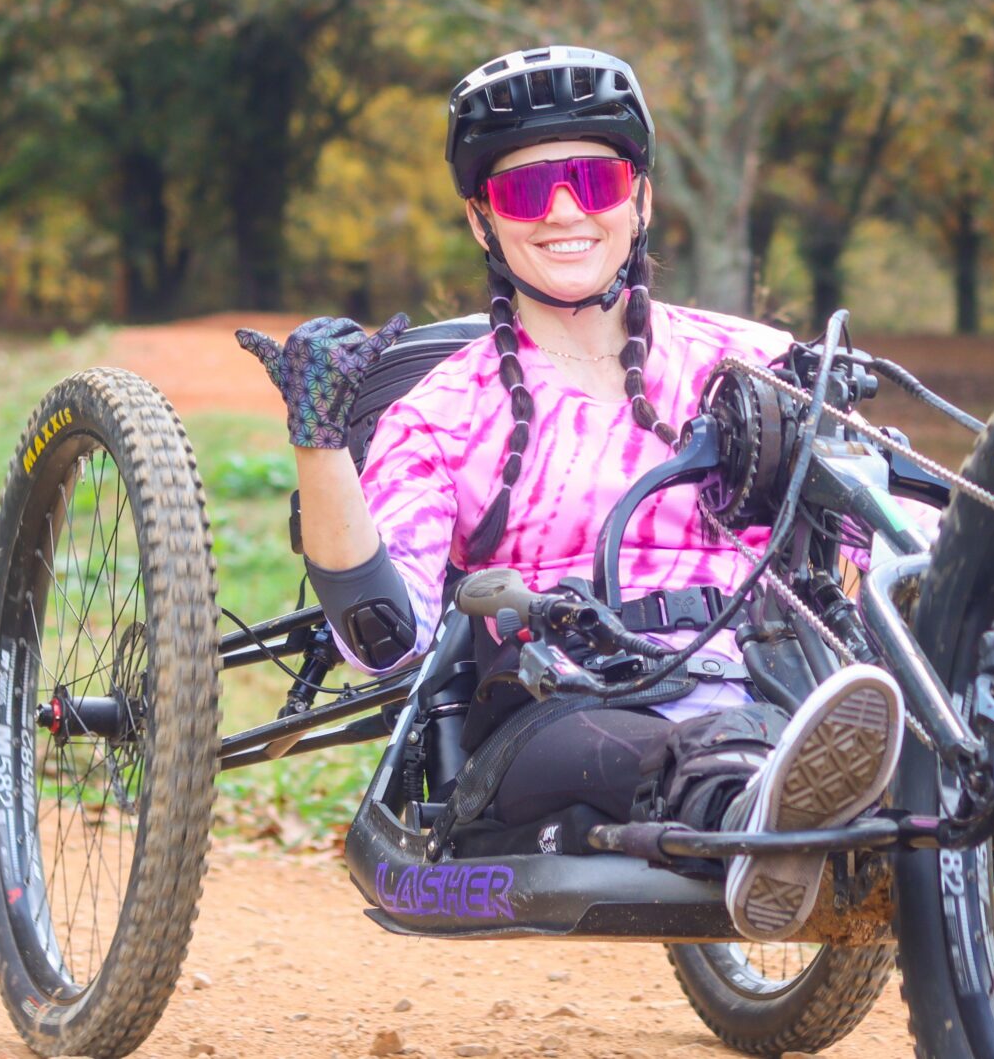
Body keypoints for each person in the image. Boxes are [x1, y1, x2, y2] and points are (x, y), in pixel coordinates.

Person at [239, 46, 904, 943]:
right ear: (482, 222)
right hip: (555, 709)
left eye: (593, 177)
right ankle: (758, 809)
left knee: (837, 694)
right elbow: (384, 648)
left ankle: (831, 794)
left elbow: (892, 536)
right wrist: (319, 442)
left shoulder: (749, 365)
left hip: (769, 676)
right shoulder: (441, 411)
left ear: (641, 199)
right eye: (523, 191)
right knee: (663, 749)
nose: (562, 210)